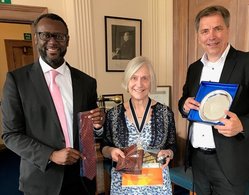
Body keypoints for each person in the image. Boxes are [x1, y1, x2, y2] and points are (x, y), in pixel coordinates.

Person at [178, 5, 249, 195]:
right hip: (197, 158)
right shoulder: (194, 68)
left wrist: (242, 124)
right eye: (205, 31)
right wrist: (184, 105)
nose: (211, 36)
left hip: (231, 162)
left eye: (217, 28)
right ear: (199, 36)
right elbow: (184, 99)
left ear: (227, 30)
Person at [1, 13, 105, 195]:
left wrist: (98, 126)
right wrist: (50, 155)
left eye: (59, 36)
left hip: (81, 178)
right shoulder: (17, 81)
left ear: (67, 40)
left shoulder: (87, 82)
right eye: (45, 35)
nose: (52, 41)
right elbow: (11, 135)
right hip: (41, 178)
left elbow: (89, 132)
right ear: (35, 38)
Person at [101, 56, 176, 194]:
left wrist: (168, 153)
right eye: (134, 78)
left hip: (156, 186)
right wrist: (111, 151)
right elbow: (104, 147)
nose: (139, 84)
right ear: (127, 80)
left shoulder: (166, 113)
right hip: (124, 186)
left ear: (151, 81)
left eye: (145, 78)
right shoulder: (113, 115)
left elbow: (172, 146)